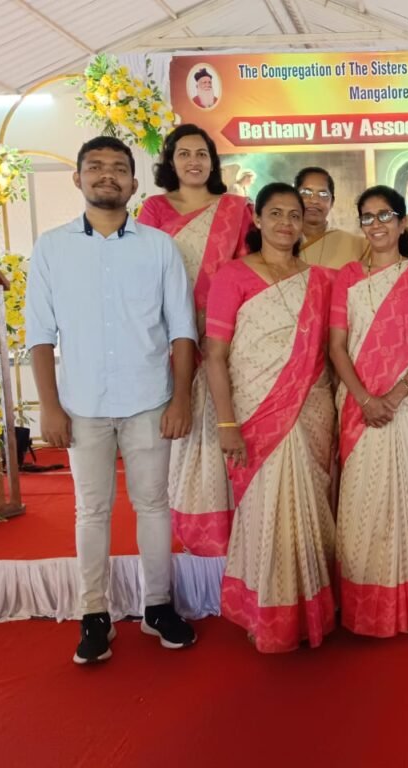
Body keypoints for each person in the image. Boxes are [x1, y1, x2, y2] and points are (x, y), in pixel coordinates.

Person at [26, 136, 198, 664]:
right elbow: (40, 335)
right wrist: (49, 406)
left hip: (149, 399)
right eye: (96, 167)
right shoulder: (52, 248)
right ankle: (94, 613)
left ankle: (157, 606)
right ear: (77, 178)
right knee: (91, 510)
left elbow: (182, 330)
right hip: (82, 405)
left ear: (134, 183)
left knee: (153, 504)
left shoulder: (158, 247)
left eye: (119, 168)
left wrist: (181, 399)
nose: (107, 175)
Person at [205, 183, 337, 653]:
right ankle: (269, 616)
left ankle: (309, 612)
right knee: (265, 512)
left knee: (311, 509)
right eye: (275, 213)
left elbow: (329, 352)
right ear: (257, 220)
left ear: (304, 224)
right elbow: (215, 355)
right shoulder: (232, 276)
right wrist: (226, 423)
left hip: (312, 408)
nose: (285, 223)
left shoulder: (321, 280)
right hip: (256, 411)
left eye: (294, 215)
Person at [329, 185, 408, 638]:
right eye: (368, 217)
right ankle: (365, 608)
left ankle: (407, 604)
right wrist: (367, 399)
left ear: (402, 223)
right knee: (360, 502)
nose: (377, 224)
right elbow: (337, 346)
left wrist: (396, 396)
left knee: (407, 502)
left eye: (385, 215)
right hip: (359, 404)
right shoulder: (347, 276)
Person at [137, 124, 253, 557]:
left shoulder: (235, 209)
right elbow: (143, 271)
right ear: (170, 161)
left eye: (201, 153)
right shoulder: (154, 209)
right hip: (167, 335)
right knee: (181, 433)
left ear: (213, 161)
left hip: (224, 334)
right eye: (183, 153)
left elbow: (246, 270)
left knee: (224, 424)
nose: (193, 161)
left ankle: (234, 528)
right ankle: (192, 531)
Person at [294, 166, 365, 268]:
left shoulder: (356, 246)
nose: (314, 200)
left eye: (323, 194)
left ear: (332, 202)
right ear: (294, 197)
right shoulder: (280, 241)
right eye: (306, 193)